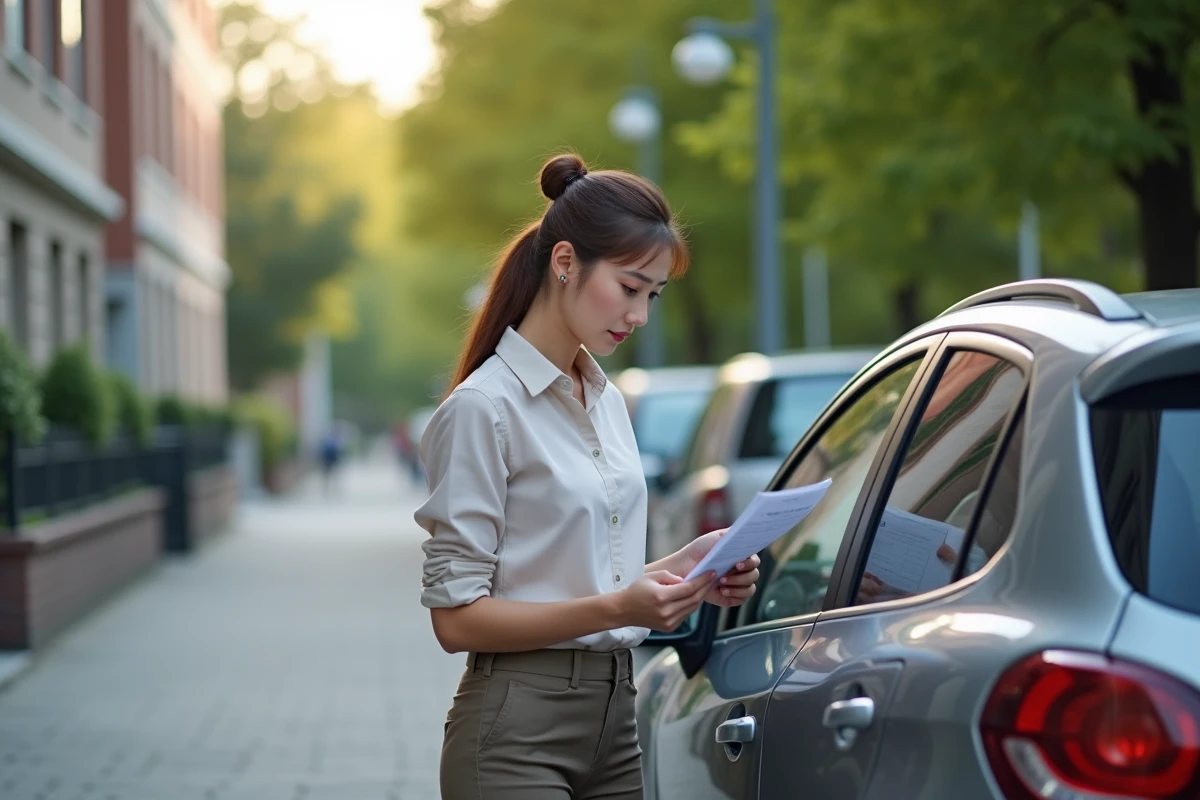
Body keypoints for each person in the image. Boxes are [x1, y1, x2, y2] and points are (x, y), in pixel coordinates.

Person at [414, 153, 761, 800]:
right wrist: (620, 608)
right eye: (630, 289)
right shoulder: (483, 409)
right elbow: (456, 620)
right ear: (565, 262)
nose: (640, 316)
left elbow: (587, 575)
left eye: (653, 296)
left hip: (616, 719)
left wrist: (692, 568)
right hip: (516, 732)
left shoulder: (602, 397)